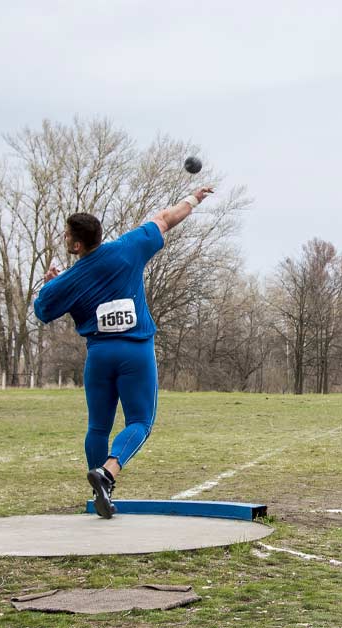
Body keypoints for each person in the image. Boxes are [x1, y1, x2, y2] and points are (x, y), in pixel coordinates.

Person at [34, 185, 214, 518]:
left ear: (76, 245)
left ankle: (99, 489)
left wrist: (52, 283)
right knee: (141, 421)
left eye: (65, 235)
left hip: (99, 357)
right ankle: (108, 472)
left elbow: (42, 310)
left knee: (98, 427)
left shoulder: (68, 280)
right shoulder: (127, 248)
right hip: (135, 353)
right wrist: (193, 198)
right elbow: (164, 220)